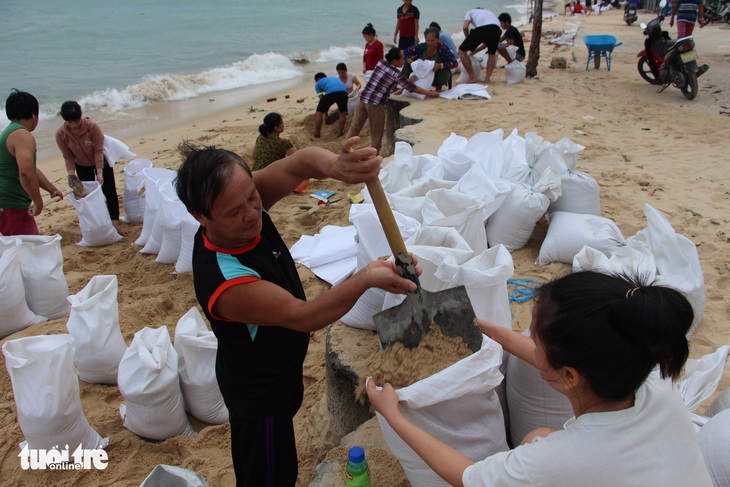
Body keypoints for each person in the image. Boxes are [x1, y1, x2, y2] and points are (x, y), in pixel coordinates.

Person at [174, 137, 421, 486]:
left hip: (279, 369)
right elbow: (301, 316)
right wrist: (366, 278)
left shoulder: (241, 195)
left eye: (251, 197)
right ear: (200, 216)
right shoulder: (225, 280)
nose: (251, 214)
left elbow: (298, 164)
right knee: (271, 475)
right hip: (260, 393)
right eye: (234, 212)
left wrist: (336, 167)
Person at [367, 271, 713, 487]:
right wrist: (489, 330)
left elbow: (467, 476)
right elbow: (552, 364)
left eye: (535, 336)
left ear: (569, 375)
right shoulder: (649, 377)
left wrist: (394, 415)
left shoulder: (557, 462)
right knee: (537, 436)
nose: (530, 339)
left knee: (536, 443)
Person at [346, 47, 439, 154]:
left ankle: (344, 152)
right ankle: (374, 159)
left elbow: (385, 82)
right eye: (402, 59)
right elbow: (413, 88)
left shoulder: (380, 63)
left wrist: (405, 83)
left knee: (354, 128)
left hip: (362, 98)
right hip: (375, 103)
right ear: (395, 61)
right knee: (376, 135)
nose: (404, 61)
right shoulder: (395, 74)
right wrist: (430, 93)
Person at [55, 101, 126, 236]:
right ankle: (98, 222)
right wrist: (71, 175)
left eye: (76, 121)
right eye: (70, 123)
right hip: (81, 164)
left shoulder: (92, 127)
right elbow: (68, 156)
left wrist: (100, 172)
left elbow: (98, 150)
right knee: (89, 195)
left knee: (109, 191)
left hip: (101, 161)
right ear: (65, 121)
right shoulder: (61, 135)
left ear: (81, 116)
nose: (74, 125)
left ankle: (115, 222)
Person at [0, 90, 63, 236]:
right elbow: (26, 173)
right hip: (13, 206)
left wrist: (51, 189)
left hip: (5, 205)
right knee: (29, 251)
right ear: (34, 115)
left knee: (15, 251)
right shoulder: (22, 135)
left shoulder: (8, 132)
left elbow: (31, 168)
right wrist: (38, 202)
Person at [459, 8, 502, 84]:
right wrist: (475, 50)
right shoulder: (488, 11)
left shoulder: (470, 11)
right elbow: (487, 42)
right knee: (491, 54)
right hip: (497, 29)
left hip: (483, 28)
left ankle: (472, 77)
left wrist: (467, 38)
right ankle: (487, 79)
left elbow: (465, 27)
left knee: (461, 51)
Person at [312, 73, 348, 139]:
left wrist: (324, 112)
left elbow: (321, 98)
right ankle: (340, 132)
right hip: (343, 92)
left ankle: (317, 133)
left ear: (317, 79)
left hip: (331, 93)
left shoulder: (318, 83)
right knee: (343, 113)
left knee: (319, 112)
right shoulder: (334, 78)